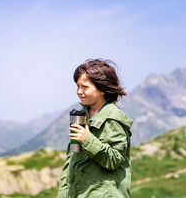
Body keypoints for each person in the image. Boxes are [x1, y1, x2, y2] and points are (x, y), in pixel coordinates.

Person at [57, 58, 133, 198]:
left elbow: (115, 159)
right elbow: (71, 162)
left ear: (102, 89)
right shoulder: (83, 115)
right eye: (77, 86)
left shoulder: (113, 118)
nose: (79, 91)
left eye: (85, 87)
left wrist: (87, 139)